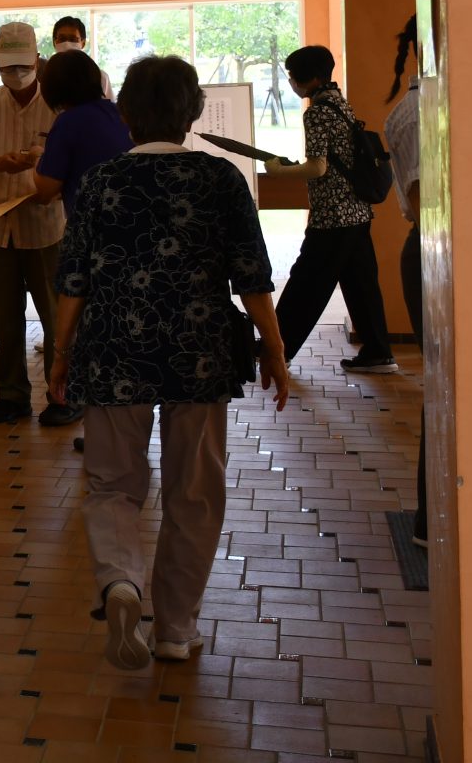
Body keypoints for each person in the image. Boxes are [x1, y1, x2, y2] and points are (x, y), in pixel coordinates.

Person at [46, 56, 291, 668]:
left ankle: (122, 582)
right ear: (194, 113)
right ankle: (176, 628)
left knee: (111, 484)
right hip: (201, 353)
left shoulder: (101, 183)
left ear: (125, 114)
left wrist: (60, 352)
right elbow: (252, 276)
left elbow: (72, 279)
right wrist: (274, 346)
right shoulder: (221, 180)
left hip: (112, 350)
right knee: (195, 490)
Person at [262, 45, 396, 373]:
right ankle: (378, 352)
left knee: (306, 283)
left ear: (309, 77)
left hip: (333, 217)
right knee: (361, 285)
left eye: (293, 76)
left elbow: (318, 167)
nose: (291, 82)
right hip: (357, 213)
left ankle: (277, 350)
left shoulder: (318, 112)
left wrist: (279, 171)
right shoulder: (340, 103)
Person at [0, 22, 68, 425]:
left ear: (37, 60)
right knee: (5, 319)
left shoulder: (58, 105)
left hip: (45, 227)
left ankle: (62, 395)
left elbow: (69, 167)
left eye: (21, 67)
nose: (14, 75)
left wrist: (38, 165)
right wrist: (3, 162)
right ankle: (11, 395)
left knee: (56, 318)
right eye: (6, 68)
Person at [382, 17, 427, 544]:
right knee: (444, 391)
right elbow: (424, 204)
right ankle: (427, 520)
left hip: (433, 254)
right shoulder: (418, 113)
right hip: (432, 256)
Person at [34, 50, 131, 218]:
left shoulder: (67, 122)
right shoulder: (120, 114)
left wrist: (36, 158)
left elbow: (45, 191)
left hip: (92, 228)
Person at [52, 16, 112, 98]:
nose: (67, 43)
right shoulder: (47, 78)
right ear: (55, 42)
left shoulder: (100, 77)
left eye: (73, 39)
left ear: (83, 43)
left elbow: (108, 108)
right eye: (62, 39)